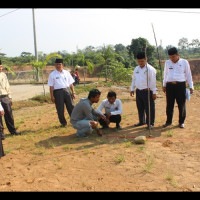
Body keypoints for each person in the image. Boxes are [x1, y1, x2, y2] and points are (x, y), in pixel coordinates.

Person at [162, 47, 194, 128]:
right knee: (169, 104)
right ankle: (168, 121)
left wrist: (191, 86)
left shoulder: (184, 62)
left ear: (177, 55)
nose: (171, 59)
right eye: (170, 57)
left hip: (180, 85)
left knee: (181, 104)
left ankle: (181, 122)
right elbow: (165, 74)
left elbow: (188, 75)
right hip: (169, 85)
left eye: (173, 57)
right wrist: (164, 85)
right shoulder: (167, 63)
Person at [130, 52, 157, 129]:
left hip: (147, 91)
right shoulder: (136, 69)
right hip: (139, 91)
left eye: (142, 61)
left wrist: (154, 92)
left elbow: (153, 82)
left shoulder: (150, 69)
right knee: (140, 107)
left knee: (149, 108)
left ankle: (150, 123)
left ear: (146, 59)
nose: (140, 63)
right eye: (139, 61)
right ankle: (141, 121)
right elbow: (134, 79)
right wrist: (132, 89)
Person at [48, 58, 75, 127]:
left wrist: (73, 92)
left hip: (66, 90)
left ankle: (74, 121)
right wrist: (52, 96)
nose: (58, 66)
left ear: (62, 65)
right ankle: (63, 123)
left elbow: (71, 83)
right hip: (57, 92)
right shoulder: (52, 74)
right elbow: (51, 86)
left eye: (59, 64)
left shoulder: (66, 73)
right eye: (56, 64)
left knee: (71, 106)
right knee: (60, 108)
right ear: (55, 65)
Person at [0, 60, 21, 136]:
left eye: (1, 66)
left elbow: (7, 86)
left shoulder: (3, 75)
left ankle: (13, 130)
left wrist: (10, 97)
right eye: (0, 67)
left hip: (5, 96)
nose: (1, 68)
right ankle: (1, 134)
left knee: (9, 114)